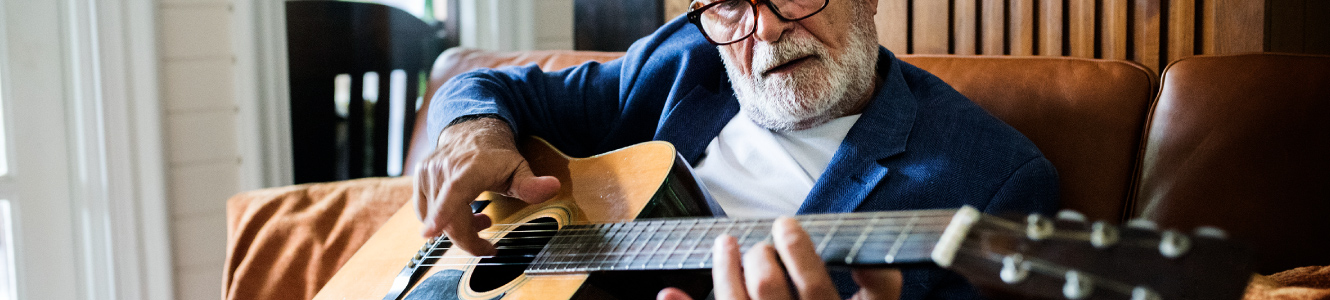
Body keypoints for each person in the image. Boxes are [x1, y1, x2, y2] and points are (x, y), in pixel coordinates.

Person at [412, 0, 1060, 298]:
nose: (768, 25)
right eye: (728, 4)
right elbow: (482, 85)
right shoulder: (681, 61)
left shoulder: (994, 179)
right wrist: (471, 132)